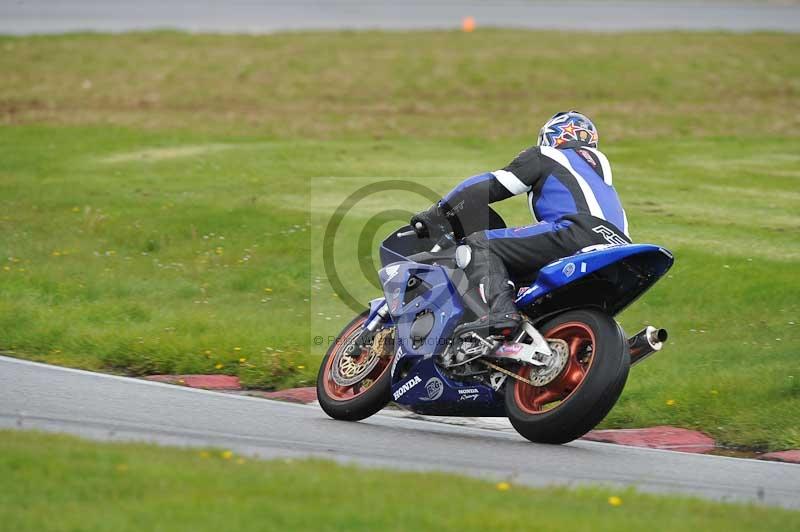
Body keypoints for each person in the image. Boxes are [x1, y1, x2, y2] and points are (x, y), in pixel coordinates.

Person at [410, 111, 631, 339]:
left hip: (577, 232)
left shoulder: (546, 155)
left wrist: (437, 211)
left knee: (482, 243)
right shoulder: (600, 174)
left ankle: (502, 315)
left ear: (552, 135)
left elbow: (490, 186)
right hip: (620, 248)